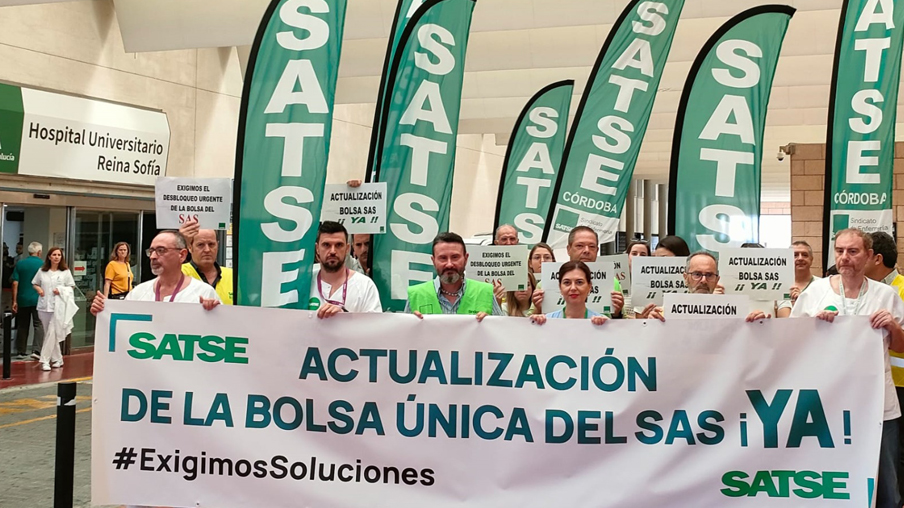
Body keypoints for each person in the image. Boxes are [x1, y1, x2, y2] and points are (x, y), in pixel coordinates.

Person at [791, 228, 904, 508]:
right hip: (828, 403)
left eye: (852, 252)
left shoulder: (886, 295)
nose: (844, 258)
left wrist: (891, 325)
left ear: (868, 256)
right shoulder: (814, 292)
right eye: (840, 251)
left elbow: (901, 347)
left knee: (887, 483)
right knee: (833, 478)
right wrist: (814, 327)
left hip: (878, 404)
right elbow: (791, 343)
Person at [90, 231, 220, 316]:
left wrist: (214, 314)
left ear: (182, 255)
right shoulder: (138, 294)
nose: (152, 256)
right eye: (151, 251)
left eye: (161, 250)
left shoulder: (204, 293)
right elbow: (121, 331)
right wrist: (103, 313)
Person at [640, 251, 765, 322]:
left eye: (709, 275)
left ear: (717, 280)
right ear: (685, 278)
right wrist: (648, 326)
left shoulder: (738, 312)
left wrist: (759, 325)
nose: (703, 280)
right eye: (697, 274)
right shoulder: (663, 313)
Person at [405, 232, 503, 319]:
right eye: (443, 258)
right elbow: (404, 337)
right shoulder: (415, 295)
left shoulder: (486, 292)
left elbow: (501, 334)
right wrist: (412, 326)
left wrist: (491, 324)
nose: (449, 264)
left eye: (455, 257)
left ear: (466, 258)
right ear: (433, 261)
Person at [531, 226, 624, 317]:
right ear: (568, 249)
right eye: (580, 246)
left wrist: (618, 313)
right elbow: (529, 323)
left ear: (597, 250)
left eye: (592, 246)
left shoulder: (613, 283)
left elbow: (624, 323)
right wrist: (538, 309)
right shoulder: (544, 284)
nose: (587, 250)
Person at [309, 221, 381, 318]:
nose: (333, 251)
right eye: (326, 245)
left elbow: (375, 328)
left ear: (347, 248)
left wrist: (345, 318)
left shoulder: (365, 285)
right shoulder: (305, 282)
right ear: (317, 248)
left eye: (339, 245)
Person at [31, 247, 76, 371]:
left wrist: (61, 290)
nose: (56, 257)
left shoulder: (65, 272)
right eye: (54, 254)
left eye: (59, 255)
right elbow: (35, 283)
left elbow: (71, 286)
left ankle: (44, 360)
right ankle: (58, 358)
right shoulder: (42, 271)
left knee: (52, 332)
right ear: (49, 257)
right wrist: (39, 289)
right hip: (44, 306)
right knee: (50, 334)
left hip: (58, 306)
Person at [529, 261, 608, 326]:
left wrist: (608, 328)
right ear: (560, 287)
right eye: (567, 282)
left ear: (589, 287)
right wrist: (534, 326)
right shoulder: (547, 321)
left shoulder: (603, 322)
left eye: (579, 282)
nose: (573, 288)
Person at [179, 219, 234, 305]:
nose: (207, 250)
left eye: (211, 244)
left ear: (218, 245)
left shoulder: (233, 276)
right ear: (190, 247)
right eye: (200, 245)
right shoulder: (179, 272)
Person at [11, 242, 44, 359]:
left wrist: (14, 301)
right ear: (39, 252)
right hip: (38, 299)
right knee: (38, 325)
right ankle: (37, 350)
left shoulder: (20, 264)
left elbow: (15, 283)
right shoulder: (43, 265)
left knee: (22, 325)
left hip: (23, 298)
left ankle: (20, 351)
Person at [787, 240, 819, 307]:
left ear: (811, 259)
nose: (800, 258)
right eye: (795, 255)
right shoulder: (780, 286)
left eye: (804, 255)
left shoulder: (822, 284)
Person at [623, 240, 651, 318]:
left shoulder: (653, 284)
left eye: (643, 255)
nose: (638, 257)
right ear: (627, 256)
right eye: (634, 254)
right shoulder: (617, 281)